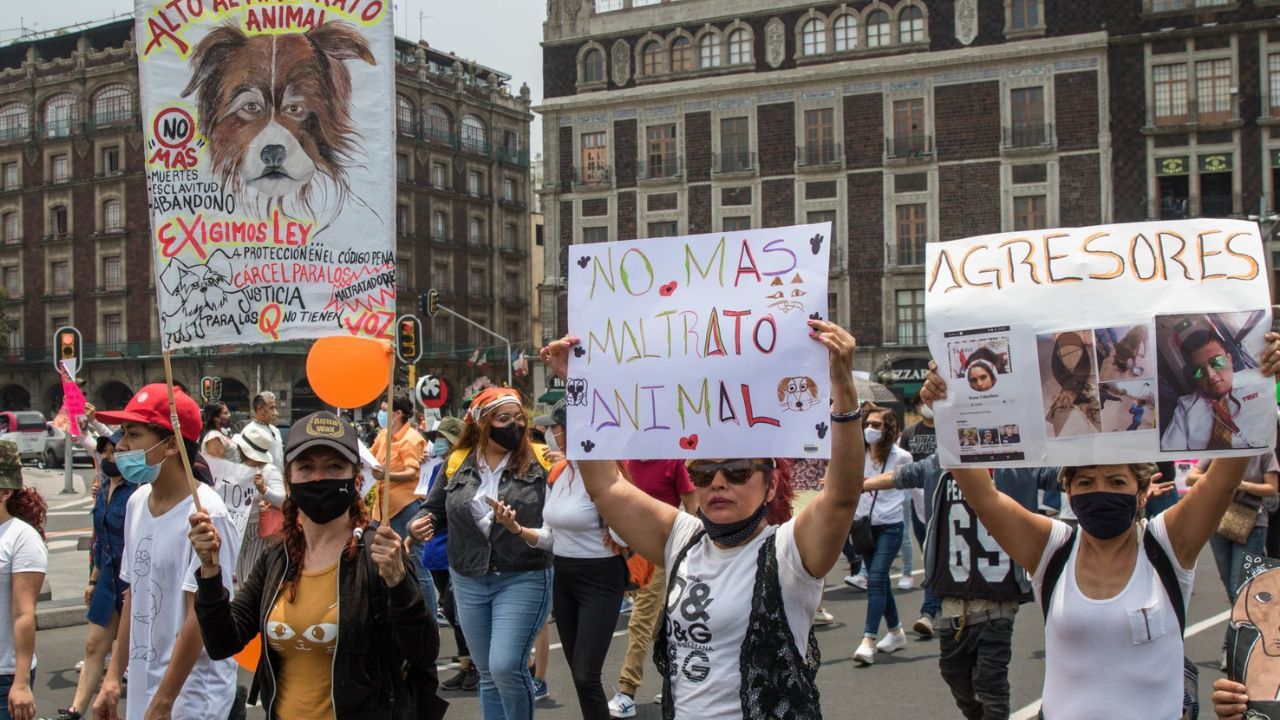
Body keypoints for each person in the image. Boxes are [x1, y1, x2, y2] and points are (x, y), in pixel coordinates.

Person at [919, 336, 1280, 719]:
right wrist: (948, 407)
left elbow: (1221, 481)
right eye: (1086, 483)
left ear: (1142, 493)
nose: (1101, 492)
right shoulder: (1051, 548)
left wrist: (1256, 379)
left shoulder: (1166, 544)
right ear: (1069, 491)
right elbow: (983, 495)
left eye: (1117, 482)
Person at [542, 319, 864, 717]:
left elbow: (841, 497)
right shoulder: (683, 537)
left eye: (738, 471)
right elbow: (606, 485)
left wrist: (843, 389)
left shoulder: (789, 551)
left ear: (770, 482)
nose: (718, 483)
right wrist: (579, 384)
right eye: (703, 473)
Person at [188, 411, 446, 720]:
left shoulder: (379, 555)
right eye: (306, 467)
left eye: (334, 466)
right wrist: (210, 573)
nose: (319, 478)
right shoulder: (277, 560)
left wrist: (400, 583)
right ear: (289, 479)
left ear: (356, 478)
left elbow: (424, 651)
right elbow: (221, 642)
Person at [864, 453, 1059, 717]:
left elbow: (1059, 475)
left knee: (991, 682)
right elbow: (902, 475)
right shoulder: (941, 462)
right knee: (953, 672)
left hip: (997, 594)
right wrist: (859, 484)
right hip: (952, 594)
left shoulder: (1016, 462)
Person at [90, 384, 241, 720]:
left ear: (172, 443)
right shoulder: (137, 502)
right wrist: (114, 676)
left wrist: (165, 700)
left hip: (190, 697)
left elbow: (200, 616)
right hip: (145, 687)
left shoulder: (207, 513)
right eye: (122, 434)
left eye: (134, 434)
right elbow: (134, 593)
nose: (121, 446)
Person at [418, 387, 552, 720]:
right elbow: (433, 510)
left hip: (523, 574)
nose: (514, 425)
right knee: (488, 673)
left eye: (519, 417)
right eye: (503, 418)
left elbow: (568, 508)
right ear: (481, 423)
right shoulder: (457, 461)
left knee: (505, 665)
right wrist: (418, 525)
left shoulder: (543, 458)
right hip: (468, 578)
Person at [492, 400, 626, 720]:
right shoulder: (557, 473)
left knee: (585, 675)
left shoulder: (608, 471)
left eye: (555, 427)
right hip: (563, 576)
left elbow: (627, 533)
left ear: (576, 430)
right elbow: (549, 537)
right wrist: (516, 528)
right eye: (549, 427)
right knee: (579, 675)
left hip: (601, 576)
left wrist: (614, 520)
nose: (548, 433)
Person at [53, 433, 136, 720]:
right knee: (93, 646)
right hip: (107, 580)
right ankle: (76, 712)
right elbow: (100, 541)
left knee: (137, 656)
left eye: (115, 452)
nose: (109, 458)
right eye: (105, 453)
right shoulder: (102, 492)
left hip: (132, 582)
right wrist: (92, 580)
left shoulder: (138, 491)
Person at [607, 459, 696, 718]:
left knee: (641, 619)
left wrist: (688, 553)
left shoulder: (672, 462)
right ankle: (676, 685)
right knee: (661, 623)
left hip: (663, 552)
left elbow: (692, 506)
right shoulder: (625, 462)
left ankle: (627, 690)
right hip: (631, 552)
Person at [1188, 452, 1279, 668]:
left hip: (1253, 522)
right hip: (1220, 521)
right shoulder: (1221, 450)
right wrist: (1221, 481)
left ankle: (1233, 649)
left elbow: (1271, 488)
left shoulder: (1263, 452)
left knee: (1240, 591)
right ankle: (1254, 639)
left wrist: (1240, 484)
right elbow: (1192, 477)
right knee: (1232, 590)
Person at [415, 418, 479, 692]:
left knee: (457, 610)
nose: (437, 442)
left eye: (442, 437)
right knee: (452, 613)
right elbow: (430, 505)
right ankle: (465, 665)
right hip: (435, 552)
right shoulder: (438, 467)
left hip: (456, 551)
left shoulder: (467, 469)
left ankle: (476, 665)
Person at [852, 405, 914, 666]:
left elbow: (915, 490)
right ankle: (896, 631)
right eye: (867, 423)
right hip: (863, 525)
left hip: (891, 525)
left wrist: (928, 520)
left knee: (876, 578)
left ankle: (868, 639)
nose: (870, 429)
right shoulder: (858, 454)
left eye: (877, 425)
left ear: (889, 429)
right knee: (881, 582)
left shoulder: (902, 457)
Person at [1162, 327, 1274, 451]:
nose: (1211, 375)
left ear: (1230, 358)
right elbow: (1171, 455)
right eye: (1199, 371)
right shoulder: (1184, 409)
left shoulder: (1262, 379)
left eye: (1217, 362)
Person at [0, 442, 47, 720]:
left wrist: (20, 682)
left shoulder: (21, 537)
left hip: (4, 676)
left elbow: (23, 614)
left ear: (5, 492)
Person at [230, 423, 285, 583]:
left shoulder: (269, 471)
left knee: (250, 578)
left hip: (258, 531)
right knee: (241, 576)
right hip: (241, 529)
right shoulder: (241, 468)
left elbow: (282, 500)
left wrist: (264, 490)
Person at [247, 392, 284, 471]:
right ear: (260, 409)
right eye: (271, 408)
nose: (275, 411)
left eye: (275, 407)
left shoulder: (275, 430)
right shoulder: (251, 431)